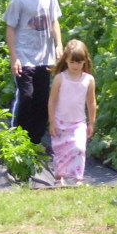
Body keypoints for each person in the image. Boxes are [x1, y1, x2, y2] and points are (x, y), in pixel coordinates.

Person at [3, 0, 63, 144]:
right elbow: (10, 28)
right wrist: (14, 57)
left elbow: (54, 21)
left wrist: (58, 44)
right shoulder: (19, 0)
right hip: (25, 57)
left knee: (42, 100)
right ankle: (16, 137)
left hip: (45, 57)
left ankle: (35, 141)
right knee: (26, 96)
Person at [48, 39, 96, 186]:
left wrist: (91, 122)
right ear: (66, 61)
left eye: (79, 62)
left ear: (84, 61)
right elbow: (52, 101)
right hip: (60, 121)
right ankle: (59, 178)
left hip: (78, 122)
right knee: (61, 151)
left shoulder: (88, 80)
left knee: (79, 148)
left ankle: (78, 179)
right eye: (72, 62)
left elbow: (91, 102)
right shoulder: (60, 78)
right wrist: (52, 122)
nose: (75, 66)